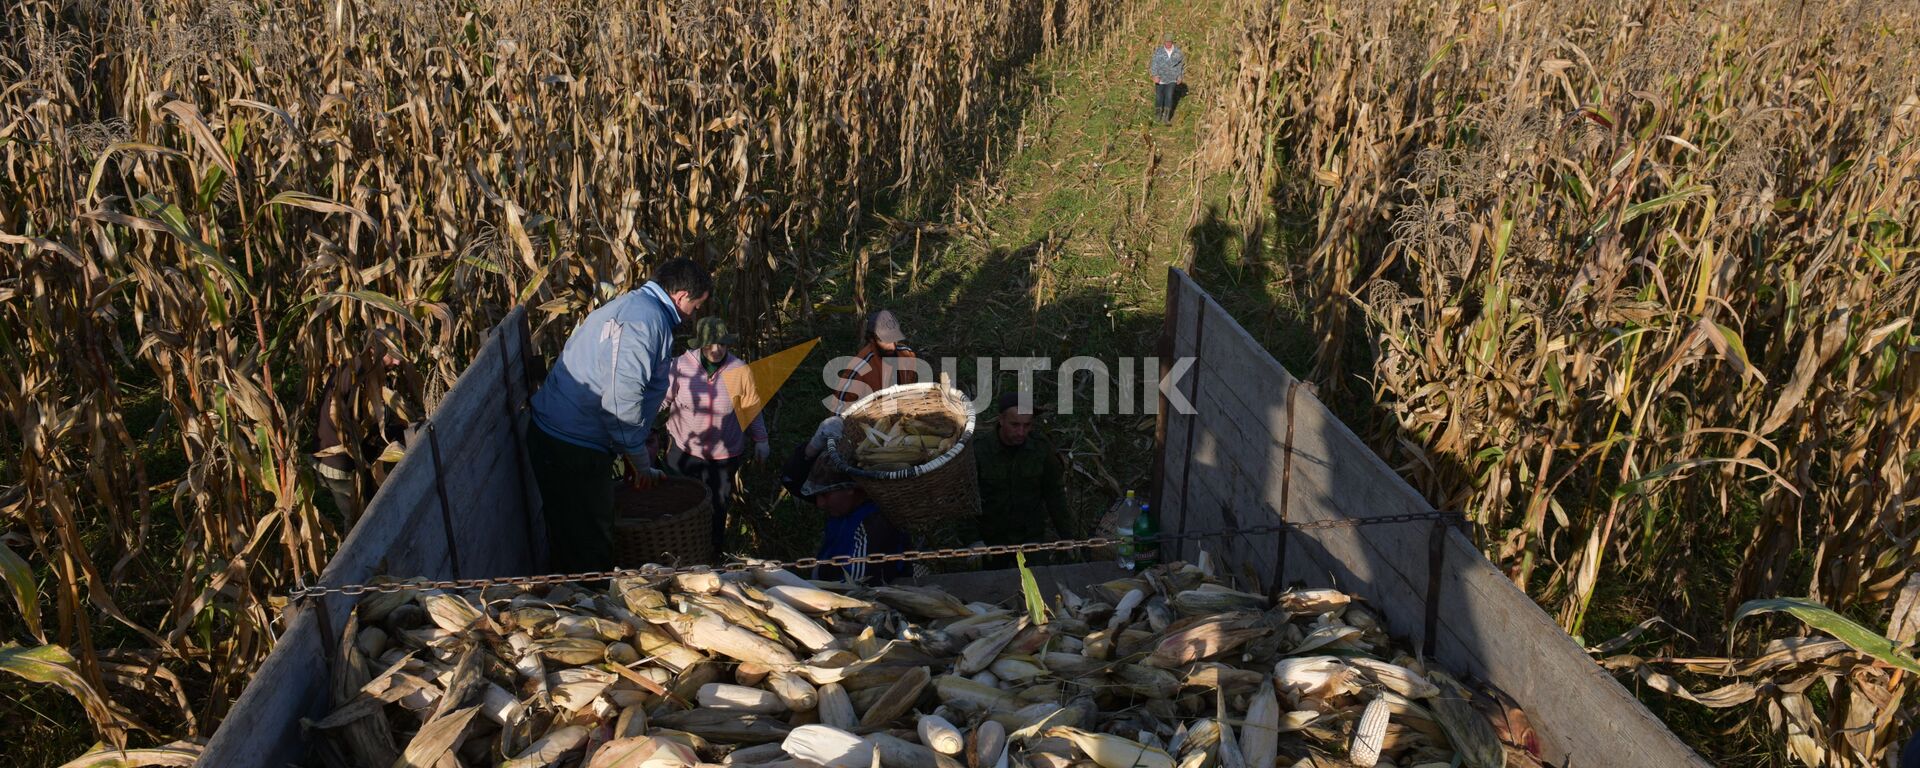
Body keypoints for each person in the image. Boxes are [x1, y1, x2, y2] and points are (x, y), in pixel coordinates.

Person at [528, 258, 712, 572]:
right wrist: (638, 459)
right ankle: (583, 609)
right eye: (696, 305)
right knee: (588, 542)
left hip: (574, 437)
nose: (693, 314)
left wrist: (634, 448)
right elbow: (620, 402)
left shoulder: (638, 308)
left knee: (577, 532)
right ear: (681, 297)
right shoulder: (642, 323)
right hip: (572, 446)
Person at [659, 316, 770, 551]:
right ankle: (677, 550)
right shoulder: (680, 366)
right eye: (710, 345)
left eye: (722, 344)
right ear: (699, 344)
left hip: (724, 453)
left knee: (717, 505)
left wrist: (761, 440)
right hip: (684, 449)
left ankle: (712, 552)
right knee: (681, 502)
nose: (716, 350)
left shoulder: (739, 370)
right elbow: (662, 400)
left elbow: (750, 408)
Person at [310, 329, 422, 529]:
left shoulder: (363, 370)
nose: (397, 363)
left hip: (349, 455)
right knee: (358, 522)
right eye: (392, 357)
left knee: (370, 509)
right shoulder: (357, 375)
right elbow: (348, 422)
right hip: (339, 460)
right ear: (373, 351)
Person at [970, 389, 1077, 568]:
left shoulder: (1040, 448)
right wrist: (973, 540)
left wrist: (1068, 536)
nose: (1021, 432)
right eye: (1015, 425)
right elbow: (966, 499)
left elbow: (1055, 495)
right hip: (992, 540)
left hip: (1030, 538)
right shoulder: (979, 451)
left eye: (1027, 425)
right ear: (1001, 420)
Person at [805, 462, 913, 585]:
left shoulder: (875, 523)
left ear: (849, 489)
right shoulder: (842, 512)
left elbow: (856, 585)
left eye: (824, 494)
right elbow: (791, 479)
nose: (820, 503)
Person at [830, 310, 920, 411]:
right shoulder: (860, 368)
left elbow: (910, 388)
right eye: (884, 340)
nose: (892, 346)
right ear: (872, 339)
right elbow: (839, 407)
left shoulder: (907, 355)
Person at [1149, 35, 1186, 125]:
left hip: (1172, 78)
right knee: (1159, 97)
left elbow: (1181, 65)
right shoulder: (1159, 51)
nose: (1168, 43)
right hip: (1160, 78)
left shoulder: (1178, 52)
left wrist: (1180, 76)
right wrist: (1154, 75)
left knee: (1169, 96)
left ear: (1172, 42)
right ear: (1164, 42)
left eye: (1170, 42)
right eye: (1166, 42)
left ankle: (1166, 117)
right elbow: (1154, 63)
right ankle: (1158, 113)